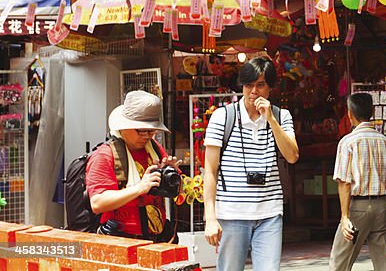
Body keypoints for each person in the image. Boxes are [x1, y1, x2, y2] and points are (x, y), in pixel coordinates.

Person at [203, 57, 300, 271]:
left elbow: (292, 156)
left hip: (270, 213)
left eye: (260, 85)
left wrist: (271, 121)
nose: (253, 91)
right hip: (231, 213)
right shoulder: (222, 116)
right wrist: (210, 217)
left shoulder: (281, 116)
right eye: (248, 85)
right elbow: (210, 170)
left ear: (271, 88)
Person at [85, 90, 181, 242]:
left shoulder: (154, 149)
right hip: (121, 243)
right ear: (124, 126)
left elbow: (177, 193)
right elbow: (97, 203)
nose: (148, 136)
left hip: (157, 240)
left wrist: (172, 177)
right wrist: (139, 189)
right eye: (142, 131)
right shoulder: (105, 155)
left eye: (152, 131)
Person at [329, 93, 386, 271]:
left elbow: (344, 182)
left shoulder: (348, 142)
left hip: (357, 207)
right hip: (382, 204)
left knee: (340, 261)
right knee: (384, 262)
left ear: (350, 114)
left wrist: (344, 217)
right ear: (372, 111)